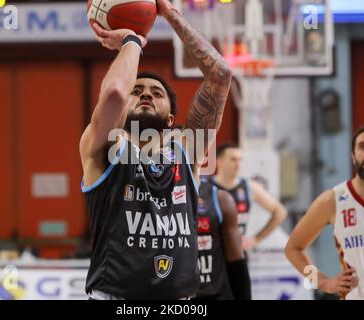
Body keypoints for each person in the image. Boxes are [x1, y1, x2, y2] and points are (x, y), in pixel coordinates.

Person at [80, 0, 232, 299]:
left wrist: (171, 15)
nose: (146, 93)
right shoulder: (105, 147)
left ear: (171, 119)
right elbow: (112, 93)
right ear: (124, 108)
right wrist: (132, 41)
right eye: (136, 91)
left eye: (156, 92)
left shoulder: (187, 151)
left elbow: (221, 75)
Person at [285, 123, 364, 300]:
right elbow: (293, 249)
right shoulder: (332, 200)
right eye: (362, 146)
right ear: (353, 157)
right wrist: (323, 282)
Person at [210, 143, 288, 250]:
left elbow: (280, 212)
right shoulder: (205, 186)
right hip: (210, 253)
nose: (238, 164)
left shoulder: (249, 187)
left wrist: (256, 239)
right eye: (233, 159)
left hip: (237, 253)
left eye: (240, 160)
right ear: (219, 161)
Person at [193, 179, 251, 300]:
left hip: (215, 293)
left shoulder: (219, 197)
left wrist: (256, 239)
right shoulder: (157, 197)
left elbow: (237, 264)